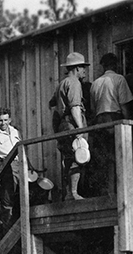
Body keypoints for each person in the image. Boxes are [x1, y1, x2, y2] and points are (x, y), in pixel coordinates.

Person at [90, 52, 133, 196]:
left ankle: (108, 192)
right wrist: (129, 124)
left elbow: (92, 109)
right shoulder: (119, 79)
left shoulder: (95, 83)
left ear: (103, 66)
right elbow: (124, 105)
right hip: (114, 118)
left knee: (105, 158)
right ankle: (120, 191)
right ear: (115, 64)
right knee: (119, 154)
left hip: (99, 121)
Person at [53, 52, 90, 200]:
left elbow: (53, 105)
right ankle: (73, 193)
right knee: (78, 156)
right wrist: (81, 128)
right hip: (72, 124)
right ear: (77, 68)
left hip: (63, 124)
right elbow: (75, 107)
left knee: (68, 159)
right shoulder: (74, 83)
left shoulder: (61, 83)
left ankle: (68, 193)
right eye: (83, 67)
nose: (84, 71)